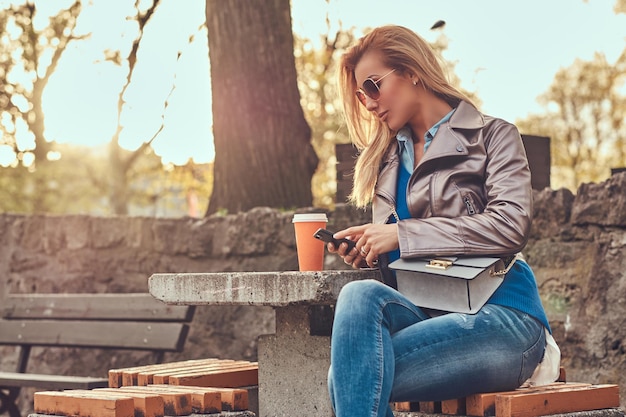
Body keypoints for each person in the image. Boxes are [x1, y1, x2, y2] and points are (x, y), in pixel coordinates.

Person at [325, 25, 559, 417]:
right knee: (358, 296)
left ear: (411, 70)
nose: (368, 102)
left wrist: (401, 234)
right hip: (427, 314)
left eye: (373, 85)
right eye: (361, 95)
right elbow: (409, 260)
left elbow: (509, 224)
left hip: (501, 316)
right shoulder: (385, 164)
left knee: (347, 378)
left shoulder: (492, 136)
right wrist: (371, 250)